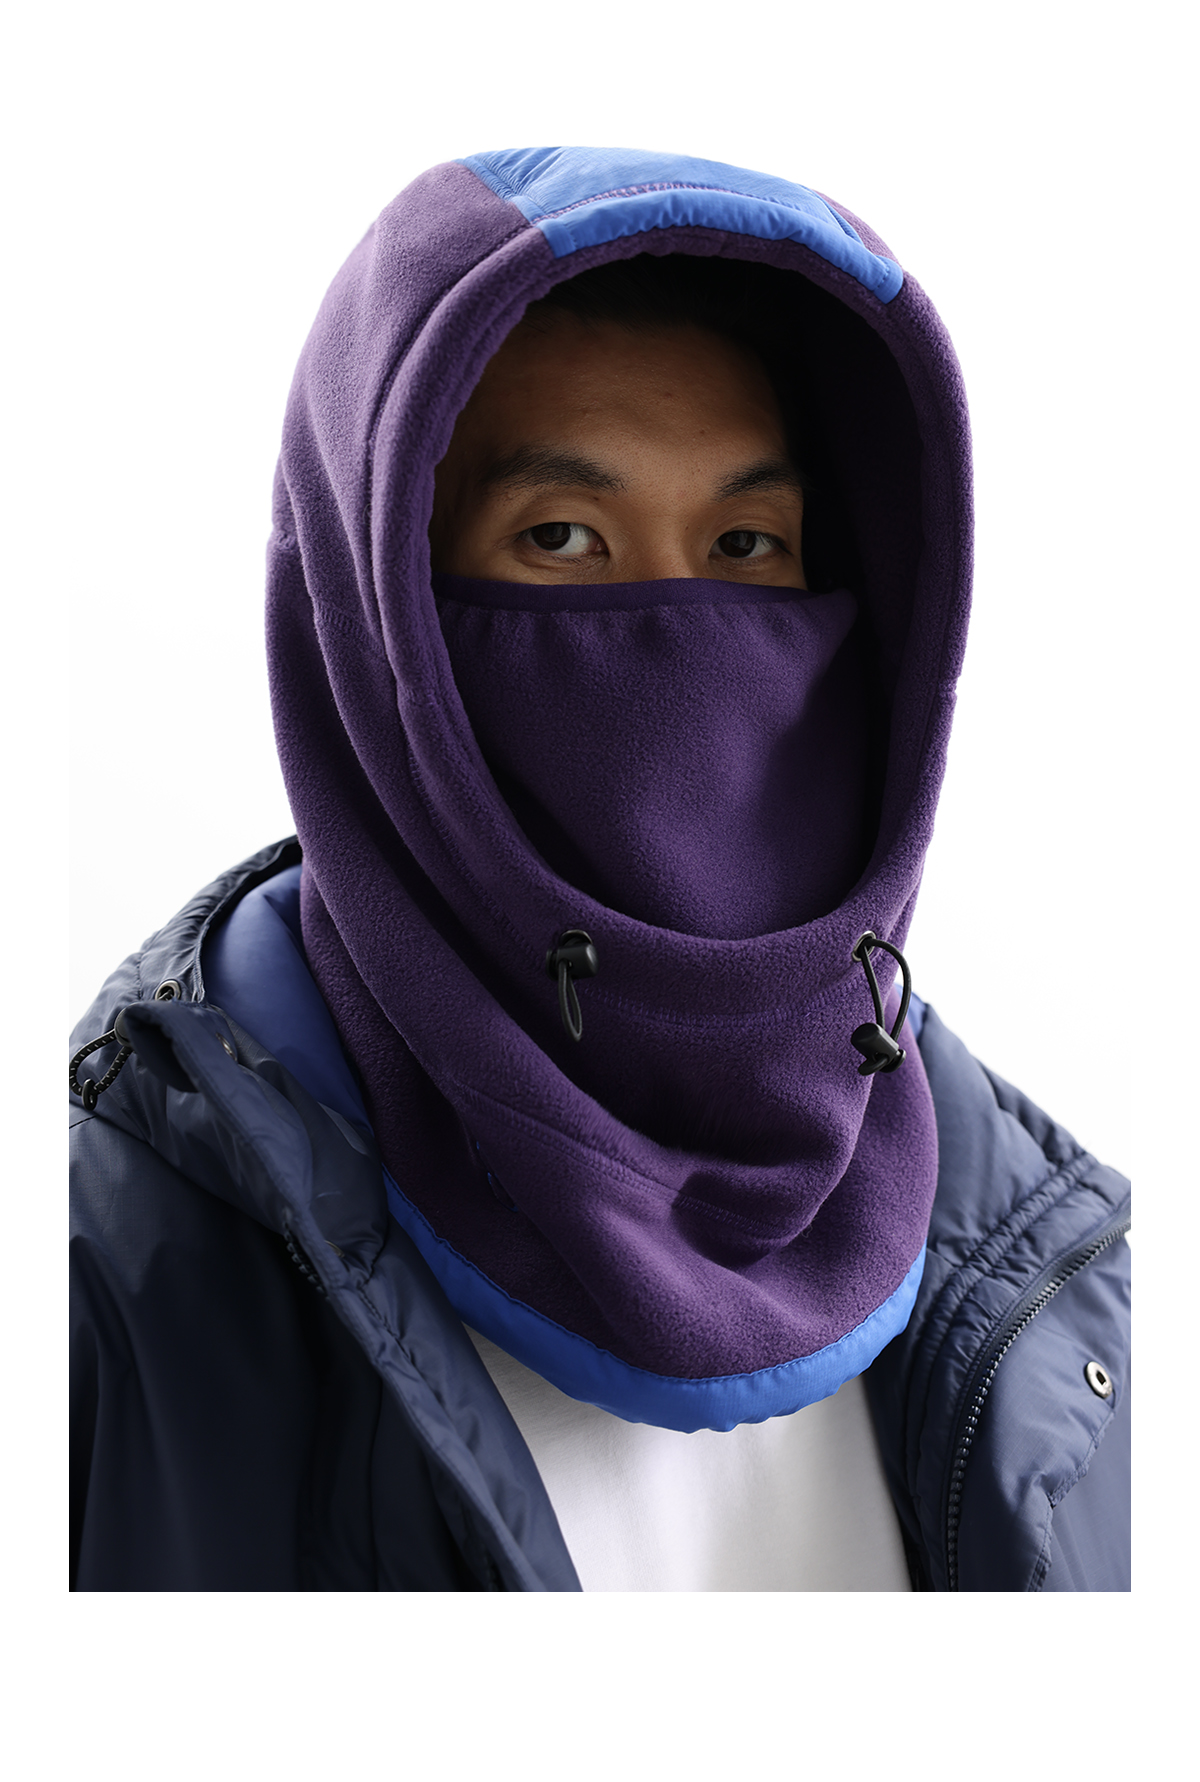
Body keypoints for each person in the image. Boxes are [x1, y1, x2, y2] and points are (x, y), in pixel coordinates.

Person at [69, 146, 1131, 1592]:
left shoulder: (1059, 1281)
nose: (678, 638)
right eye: (561, 537)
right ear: (371, 620)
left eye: (747, 542)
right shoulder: (101, 1292)